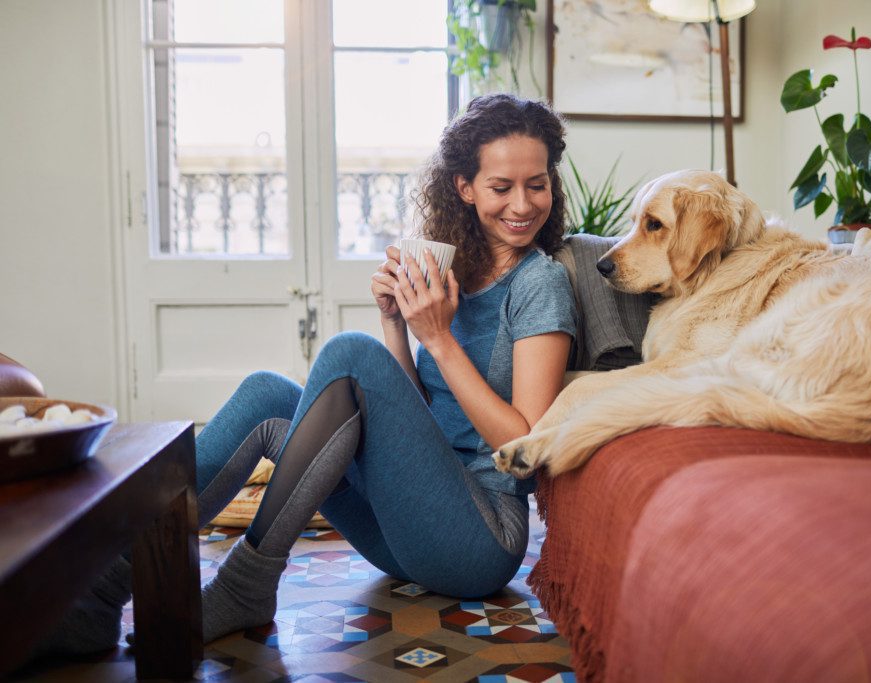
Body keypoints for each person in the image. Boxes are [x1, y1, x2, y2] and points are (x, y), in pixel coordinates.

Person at [39, 92, 577, 653]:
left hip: (477, 539)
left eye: (537, 184)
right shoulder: (452, 270)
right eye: (501, 187)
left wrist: (438, 338)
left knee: (350, 353)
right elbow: (422, 417)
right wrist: (397, 325)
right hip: (407, 524)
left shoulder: (540, 283)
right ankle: (99, 593)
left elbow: (526, 443)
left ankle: (247, 582)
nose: (522, 204)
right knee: (267, 394)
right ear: (464, 188)